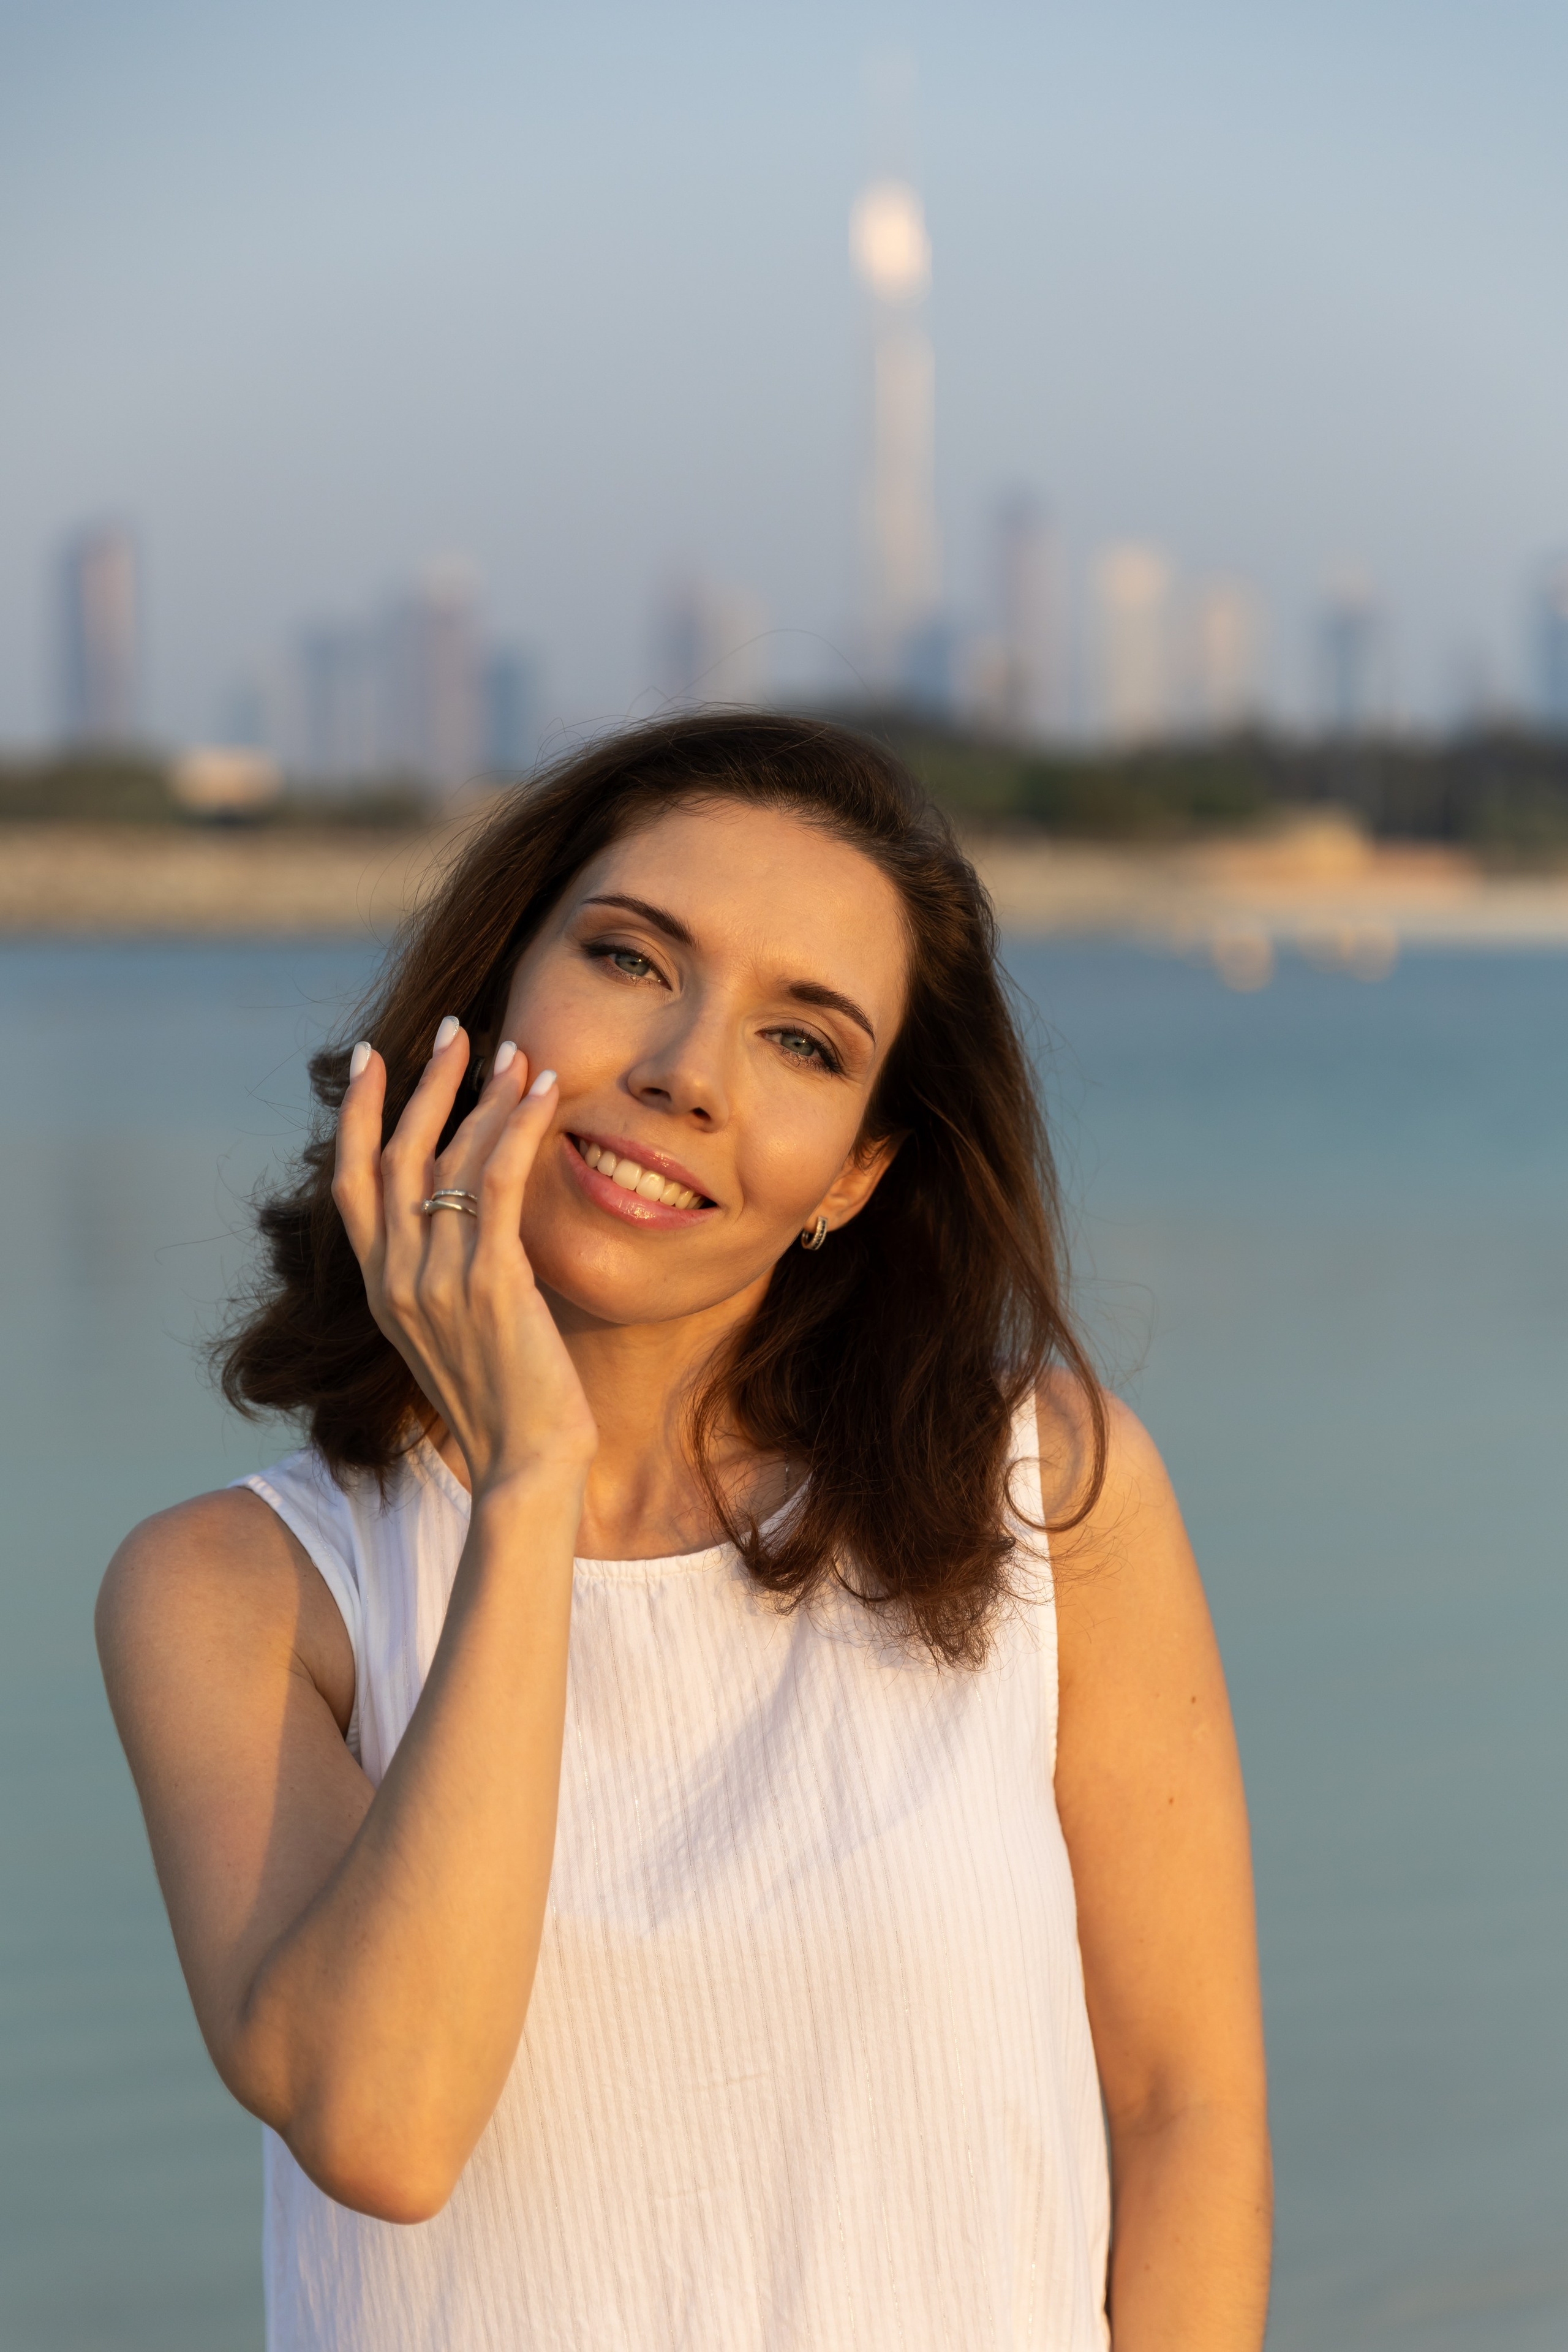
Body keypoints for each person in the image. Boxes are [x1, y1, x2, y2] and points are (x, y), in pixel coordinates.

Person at [96, 712, 1270, 2350]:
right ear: (491, 999)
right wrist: (528, 1486)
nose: (686, 1074)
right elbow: (387, 2127)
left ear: (855, 1174)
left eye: (804, 1043)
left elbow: (1183, 2112)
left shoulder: (1041, 1488)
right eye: (631, 959)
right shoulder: (238, 1590)